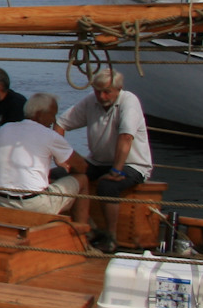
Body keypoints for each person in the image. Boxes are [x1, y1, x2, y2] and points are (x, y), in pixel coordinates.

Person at [55, 68, 153, 237]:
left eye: (107, 92)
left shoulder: (129, 102)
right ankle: (87, 226)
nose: (101, 97)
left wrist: (116, 170)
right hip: (98, 161)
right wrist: (61, 158)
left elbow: (125, 137)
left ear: (118, 89)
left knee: (107, 185)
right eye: (97, 92)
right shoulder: (91, 101)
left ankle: (111, 236)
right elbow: (60, 124)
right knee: (57, 175)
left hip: (133, 164)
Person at [0, 92, 93, 228]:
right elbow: (81, 166)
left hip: (0, 199)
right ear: (39, 114)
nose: (54, 121)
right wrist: (69, 168)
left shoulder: (3, 129)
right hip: (32, 204)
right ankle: (82, 235)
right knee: (81, 180)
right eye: (52, 114)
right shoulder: (49, 135)